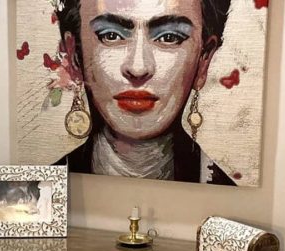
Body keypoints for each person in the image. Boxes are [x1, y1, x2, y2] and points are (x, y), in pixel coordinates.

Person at [57, 0, 235, 185]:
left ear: (204, 59)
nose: (138, 68)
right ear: (74, 56)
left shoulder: (226, 193)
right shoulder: (46, 190)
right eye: (111, 35)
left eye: (169, 38)